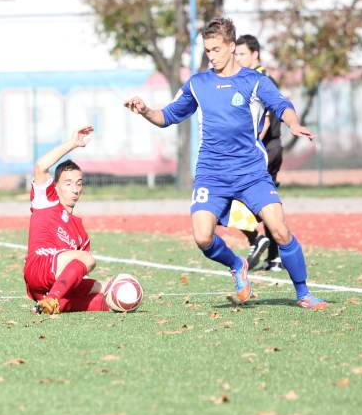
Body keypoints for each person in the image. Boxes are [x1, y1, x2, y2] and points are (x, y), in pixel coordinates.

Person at [124, 17, 327, 309]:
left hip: (251, 173)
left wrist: (293, 124)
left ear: (232, 47)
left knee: (279, 230)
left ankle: (303, 293)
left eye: (217, 49)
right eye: (207, 50)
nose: (212, 56)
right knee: (202, 237)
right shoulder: (198, 83)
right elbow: (167, 117)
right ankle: (236, 264)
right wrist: (145, 110)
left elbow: (282, 105)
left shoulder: (254, 81)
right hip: (212, 174)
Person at [24, 125, 108, 314]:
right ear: (56, 186)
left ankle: (49, 304)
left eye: (78, 183)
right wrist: (73, 143)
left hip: (50, 285)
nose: (75, 189)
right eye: (68, 183)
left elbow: (76, 273)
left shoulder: (81, 232)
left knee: (105, 291)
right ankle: (54, 299)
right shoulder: (47, 201)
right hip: (39, 267)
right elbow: (41, 166)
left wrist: (106, 286)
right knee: (87, 258)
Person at [223, 34, 283, 273]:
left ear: (255, 54)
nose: (236, 58)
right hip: (267, 148)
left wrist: (248, 146)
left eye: (241, 54)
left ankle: (257, 240)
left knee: (232, 196)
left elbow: (265, 121)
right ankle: (274, 256)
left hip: (262, 149)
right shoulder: (247, 78)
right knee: (267, 203)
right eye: (235, 54)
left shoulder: (258, 79)